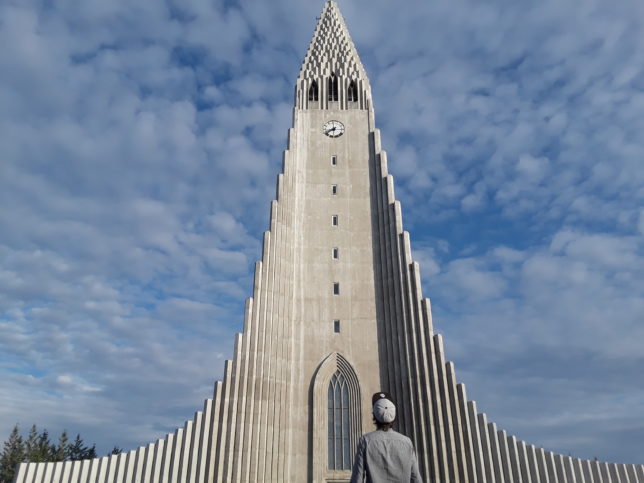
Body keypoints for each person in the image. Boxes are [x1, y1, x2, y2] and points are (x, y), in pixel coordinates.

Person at [350, 392, 423, 483]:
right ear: (394, 417)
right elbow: (416, 478)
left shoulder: (365, 441)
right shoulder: (407, 442)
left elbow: (357, 478)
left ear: (374, 416)